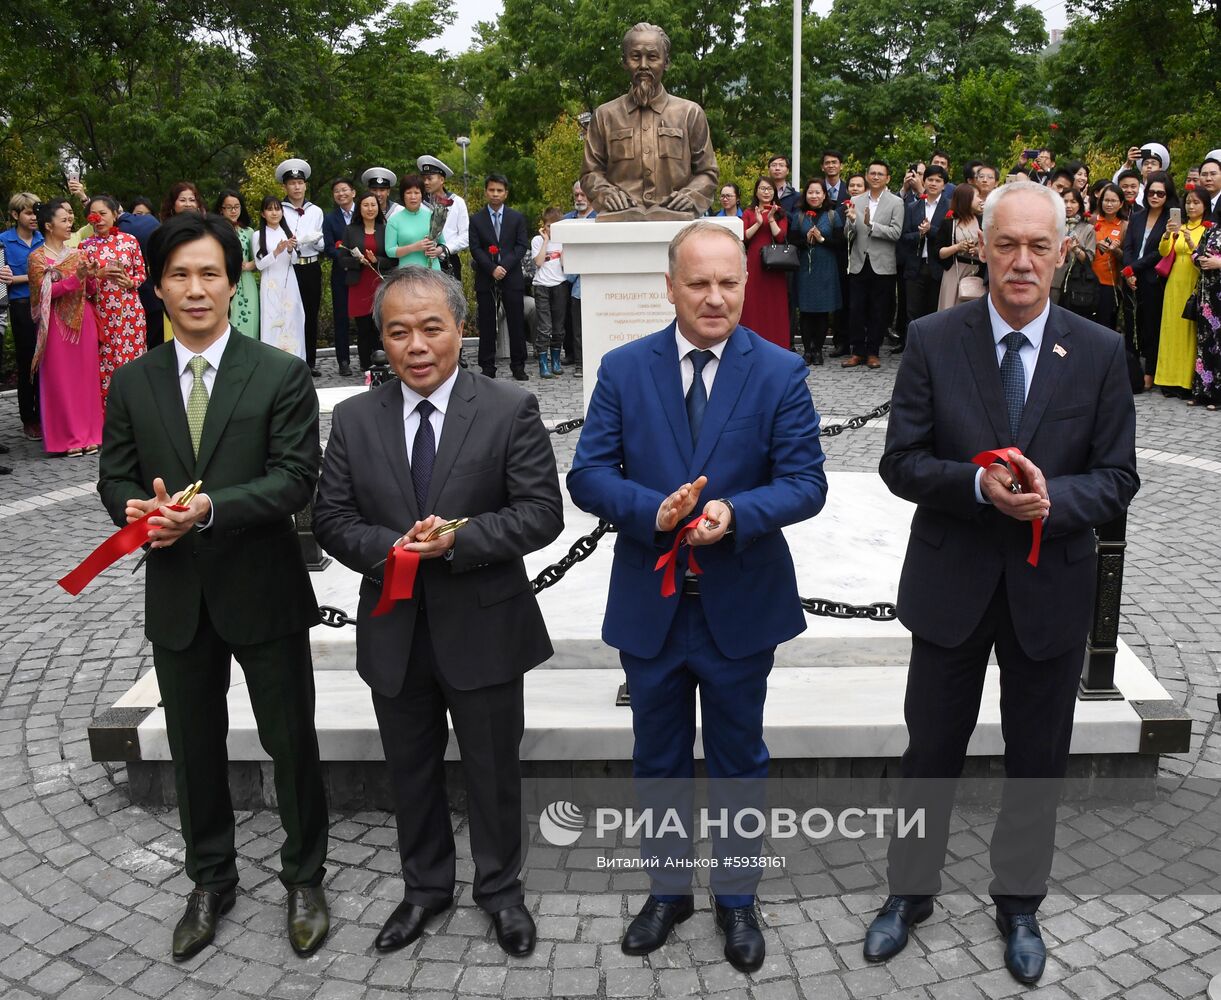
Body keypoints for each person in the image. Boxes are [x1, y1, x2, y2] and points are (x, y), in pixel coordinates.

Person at [868, 181, 1139, 986]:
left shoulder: (1095, 351)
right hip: (950, 586)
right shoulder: (930, 337)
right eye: (1007, 245)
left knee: (1037, 758)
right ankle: (907, 894)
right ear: (979, 246)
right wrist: (974, 486)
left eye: (1038, 247)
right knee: (930, 755)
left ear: (1063, 253)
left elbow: (1117, 476)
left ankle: (1018, 902)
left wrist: (1053, 502)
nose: (1021, 262)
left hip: (1047, 588)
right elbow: (899, 462)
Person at [568, 221, 827, 974]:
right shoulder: (623, 368)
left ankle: (738, 900)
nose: (715, 298)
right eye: (699, 283)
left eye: (728, 283)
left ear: (744, 285)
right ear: (670, 286)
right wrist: (654, 512)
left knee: (740, 758)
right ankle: (668, 890)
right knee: (657, 758)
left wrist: (735, 514)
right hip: (650, 605)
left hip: (739, 604)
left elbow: (804, 482)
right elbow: (586, 475)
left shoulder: (779, 372)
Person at [97, 211, 330, 962]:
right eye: (179, 275)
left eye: (209, 273)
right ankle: (210, 878)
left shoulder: (279, 373)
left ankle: (304, 876)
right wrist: (132, 511)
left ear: (235, 282)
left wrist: (205, 510)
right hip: (177, 597)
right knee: (194, 748)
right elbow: (115, 474)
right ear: (157, 287)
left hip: (261, 588)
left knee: (288, 741)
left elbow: (296, 480)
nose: (195, 289)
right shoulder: (133, 381)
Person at [312, 265, 563, 959]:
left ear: (460, 328)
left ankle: (500, 891)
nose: (416, 345)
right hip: (394, 629)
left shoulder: (509, 406)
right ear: (382, 339)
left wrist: (458, 540)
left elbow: (542, 513)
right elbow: (330, 517)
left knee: (491, 768)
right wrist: (389, 548)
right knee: (410, 769)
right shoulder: (357, 417)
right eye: (399, 331)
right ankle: (422, 889)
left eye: (431, 328)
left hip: (483, 624)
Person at [581, 22, 718, 220]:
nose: (643, 65)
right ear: (624, 62)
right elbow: (590, 172)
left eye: (652, 57)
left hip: (678, 225)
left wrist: (691, 195)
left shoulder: (690, 113)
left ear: (666, 62)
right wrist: (605, 194)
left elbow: (707, 171)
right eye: (635, 56)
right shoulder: (605, 115)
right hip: (619, 226)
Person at [27, 198, 103, 456]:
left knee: (86, 380)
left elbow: (90, 292)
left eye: (70, 220)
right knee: (61, 382)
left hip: (84, 322)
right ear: (49, 225)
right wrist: (76, 278)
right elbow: (45, 295)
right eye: (64, 220)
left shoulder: (79, 253)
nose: (70, 224)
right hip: (56, 325)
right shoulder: (36, 259)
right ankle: (67, 438)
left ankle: (91, 433)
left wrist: (91, 276)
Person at [83, 195, 147, 404]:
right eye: (94, 214)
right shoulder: (84, 247)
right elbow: (80, 283)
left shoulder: (129, 241)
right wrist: (95, 275)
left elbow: (142, 273)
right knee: (104, 362)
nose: (98, 219)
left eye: (103, 213)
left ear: (114, 215)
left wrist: (130, 282)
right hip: (100, 313)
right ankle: (106, 413)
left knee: (132, 360)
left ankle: (135, 408)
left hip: (129, 312)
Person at [844, 160, 904, 368]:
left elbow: (896, 233)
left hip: (883, 263)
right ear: (867, 176)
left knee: (879, 310)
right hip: (859, 261)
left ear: (887, 178)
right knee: (856, 308)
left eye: (880, 174)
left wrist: (871, 225)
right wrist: (852, 221)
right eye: (872, 173)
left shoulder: (896, 202)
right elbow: (848, 233)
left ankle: (873, 352)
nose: (876, 177)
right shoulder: (856, 200)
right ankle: (857, 351)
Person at [469, 173, 529, 380]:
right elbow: (475, 248)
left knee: (516, 322)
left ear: (506, 193)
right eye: (492, 190)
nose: (495, 194)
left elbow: (521, 245)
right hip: (486, 277)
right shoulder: (476, 220)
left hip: (511, 276)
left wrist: (504, 266)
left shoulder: (516, 218)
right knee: (486, 323)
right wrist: (491, 268)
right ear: (486, 191)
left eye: (499, 191)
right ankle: (487, 365)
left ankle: (518, 364)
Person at [1123, 172, 1176, 388]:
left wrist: (1132, 268)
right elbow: (1128, 247)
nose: (1155, 196)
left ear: (1167, 195)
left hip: (1153, 278)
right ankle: (1131, 371)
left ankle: (1150, 372)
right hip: (1130, 278)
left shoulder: (1170, 221)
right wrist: (1128, 272)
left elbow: (1159, 253)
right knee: (1131, 324)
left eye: (1160, 193)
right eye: (1151, 192)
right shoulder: (1136, 217)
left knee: (1151, 326)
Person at [0, 192, 45, 440]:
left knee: (48, 363)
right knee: (28, 363)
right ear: (16, 215)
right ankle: (29, 418)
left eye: (36, 212)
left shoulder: (44, 238)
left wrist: (20, 278)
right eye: (28, 212)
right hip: (20, 306)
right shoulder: (3, 242)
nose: (33, 217)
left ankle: (46, 413)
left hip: (48, 304)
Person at [1155, 187, 1208, 398]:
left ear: (1205, 206)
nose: (1191, 206)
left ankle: (1187, 381)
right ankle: (1167, 380)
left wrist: (1191, 243)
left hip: (1193, 283)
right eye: (1188, 202)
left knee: (1189, 333)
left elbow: (1206, 257)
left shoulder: (1208, 229)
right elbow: (1164, 252)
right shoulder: (1180, 226)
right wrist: (1168, 234)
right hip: (1174, 283)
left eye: (1196, 202)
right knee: (1170, 330)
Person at [276, 159, 325, 376]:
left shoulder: (315, 211)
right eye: (292, 183)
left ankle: (310, 361)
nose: (296, 187)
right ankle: (290, 360)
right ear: (285, 187)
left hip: (311, 266)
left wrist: (314, 241)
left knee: (310, 314)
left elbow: (322, 243)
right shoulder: (279, 210)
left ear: (305, 185)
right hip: (290, 267)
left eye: (300, 182)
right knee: (288, 314)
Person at [339, 190, 395, 372]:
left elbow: (393, 259)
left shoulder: (386, 230)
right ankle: (365, 366)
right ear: (359, 208)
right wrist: (358, 260)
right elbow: (342, 259)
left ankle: (385, 363)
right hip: (359, 284)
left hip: (379, 283)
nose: (370, 209)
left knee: (380, 326)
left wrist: (376, 260)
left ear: (378, 208)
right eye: (365, 205)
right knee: (363, 329)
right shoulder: (350, 230)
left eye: (373, 205)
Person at [790, 179, 843, 365]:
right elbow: (792, 241)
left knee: (822, 312)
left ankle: (818, 350)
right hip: (805, 269)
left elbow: (839, 243)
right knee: (805, 311)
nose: (814, 196)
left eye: (818, 192)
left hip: (826, 268)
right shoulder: (799, 216)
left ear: (824, 195)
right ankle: (807, 351)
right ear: (805, 195)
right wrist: (806, 240)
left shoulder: (833, 215)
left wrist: (821, 239)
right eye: (810, 192)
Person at [898, 164, 950, 348]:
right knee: (913, 311)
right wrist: (919, 234)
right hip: (915, 266)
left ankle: (932, 348)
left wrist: (931, 230)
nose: (934, 183)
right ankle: (912, 348)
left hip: (938, 266)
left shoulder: (949, 207)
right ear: (923, 181)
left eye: (938, 180)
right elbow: (903, 236)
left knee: (934, 311)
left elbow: (950, 236)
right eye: (930, 179)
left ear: (944, 185)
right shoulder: (913, 207)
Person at [252, 196, 306, 361]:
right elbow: (259, 265)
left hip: (289, 284)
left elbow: (295, 261)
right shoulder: (257, 235)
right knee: (271, 321)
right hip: (270, 284)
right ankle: (272, 361)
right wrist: (275, 252)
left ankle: (296, 360)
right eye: (270, 209)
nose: (274, 213)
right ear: (263, 214)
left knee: (293, 319)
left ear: (282, 212)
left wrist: (290, 250)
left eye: (277, 209)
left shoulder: (288, 233)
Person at [740, 177, 791, 349]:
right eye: (762, 188)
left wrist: (770, 219)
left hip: (775, 263)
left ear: (774, 192)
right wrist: (758, 223)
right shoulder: (748, 212)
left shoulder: (780, 212)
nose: (766, 192)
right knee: (753, 301)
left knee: (774, 302)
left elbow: (781, 236)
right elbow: (744, 237)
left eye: (769, 189)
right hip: (754, 261)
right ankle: (751, 343)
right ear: (756, 191)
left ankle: (778, 343)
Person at [116, 197, 163, 350]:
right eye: (138, 214)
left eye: (147, 215)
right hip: (121, 304)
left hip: (152, 298)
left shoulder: (155, 232)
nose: (141, 220)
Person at [322, 177, 356, 376]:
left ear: (353, 192)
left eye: (344, 190)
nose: (341, 194)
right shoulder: (330, 218)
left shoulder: (363, 212)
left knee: (366, 317)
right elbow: (328, 247)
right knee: (341, 317)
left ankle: (369, 357)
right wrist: (347, 255)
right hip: (341, 272)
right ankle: (343, 361)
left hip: (363, 271)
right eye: (337, 191)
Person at [418, 155, 471, 284]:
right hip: (422, 260)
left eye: (430, 178)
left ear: (441, 180)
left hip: (448, 260)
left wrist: (443, 248)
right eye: (424, 178)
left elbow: (466, 236)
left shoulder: (457, 202)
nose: (426, 182)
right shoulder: (418, 203)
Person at [530, 207, 568, 378]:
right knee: (545, 327)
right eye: (548, 226)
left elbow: (566, 264)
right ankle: (543, 363)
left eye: (555, 226)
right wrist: (545, 241)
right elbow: (538, 262)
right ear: (543, 226)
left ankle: (556, 361)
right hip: (542, 286)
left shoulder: (564, 242)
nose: (551, 229)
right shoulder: (537, 240)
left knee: (559, 328)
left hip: (559, 285)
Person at [214, 190, 258, 339]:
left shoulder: (249, 232)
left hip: (246, 283)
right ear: (221, 209)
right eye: (229, 207)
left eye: (237, 206)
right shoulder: (214, 231)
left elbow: (259, 259)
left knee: (249, 321)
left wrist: (250, 265)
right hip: (223, 280)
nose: (233, 211)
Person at [935, 182, 986, 312]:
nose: (980, 200)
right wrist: (958, 247)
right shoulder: (949, 223)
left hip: (976, 272)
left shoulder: (984, 221)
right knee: (949, 309)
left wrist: (978, 251)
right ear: (965, 200)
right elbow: (940, 252)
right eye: (976, 196)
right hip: (954, 271)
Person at [562, 180, 597, 366]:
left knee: (592, 324)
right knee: (573, 325)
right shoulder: (566, 220)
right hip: (567, 279)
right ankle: (577, 359)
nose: (579, 198)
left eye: (583, 194)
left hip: (591, 280)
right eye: (576, 195)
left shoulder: (601, 218)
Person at [1051, 187, 1097, 315]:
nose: (1068, 206)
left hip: (1075, 283)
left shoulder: (1088, 228)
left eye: (1073, 202)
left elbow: (1089, 259)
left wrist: (1076, 249)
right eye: (1065, 201)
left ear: (1080, 205)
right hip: (1052, 279)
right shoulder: (1053, 225)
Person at [1191, 211, 1221, 408]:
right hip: (1208, 296)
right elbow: (1196, 252)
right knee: (1204, 342)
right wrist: (1199, 259)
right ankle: (1202, 391)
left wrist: (1218, 263)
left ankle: (1218, 396)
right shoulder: (1213, 229)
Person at [384, 174, 440, 271]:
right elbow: (390, 251)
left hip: (433, 272)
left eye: (417, 192)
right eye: (408, 193)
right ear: (403, 195)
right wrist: (414, 247)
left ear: (422, 194)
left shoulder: (432, 216)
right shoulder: (394, 220)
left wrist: (436, 251)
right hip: (408, 273)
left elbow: (442, 243)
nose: (413, 197)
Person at [1092, 183, 1127, 331]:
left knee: (1105, 324)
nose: (1109, 204)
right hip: (1089, 280)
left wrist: (1115, 250)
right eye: (1106, 200)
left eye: (1113, 201)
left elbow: (1127, 257)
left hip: (1111, 283)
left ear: (1121, 204)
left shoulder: (1124, 226)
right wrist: (1095, 244)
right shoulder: (1092, 220)